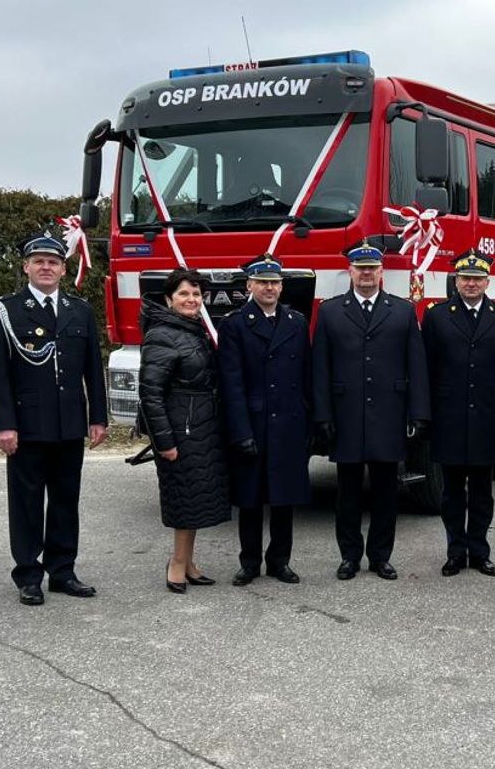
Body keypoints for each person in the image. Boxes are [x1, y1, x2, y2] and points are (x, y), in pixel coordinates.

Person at [0, 232, 108, 606]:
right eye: (38, 261)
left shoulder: (79, 310)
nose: (46, 267)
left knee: (66, 501)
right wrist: (3, 424)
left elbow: (93, 369)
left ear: (63, 269)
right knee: (27, 503)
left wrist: (97, 418)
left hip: (69, 423)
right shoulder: (5, 310)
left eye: (53, 262)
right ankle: (28, 575)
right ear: (26, 267)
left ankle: (63, 571)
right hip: (27, 425)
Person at [311, 242, 430, 580]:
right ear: (350, 271)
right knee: (347, 492)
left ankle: (380, 556)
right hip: (346, 414)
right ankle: (349, 556)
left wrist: (418, 413)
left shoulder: (403, 311)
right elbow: (320, 368)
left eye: (372, 268)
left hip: (389, 414)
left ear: (381, 272)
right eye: (360, 268)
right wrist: (322, 415)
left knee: (385, 493)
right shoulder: (331, 311)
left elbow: (416, 366)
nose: (366, 274)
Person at [422, 248, 495, 576]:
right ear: (456, 281)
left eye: (478, 279)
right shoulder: (437, 316)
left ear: (487, 282)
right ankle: (455, 552)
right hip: (449, 418)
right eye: (465, 278)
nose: (471, 284)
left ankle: (479, 551)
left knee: (482, 492)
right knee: (451, 492)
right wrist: (425, 416)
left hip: (488, 419)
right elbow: (427, 371)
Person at [218, 254, 311, 586]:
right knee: (251, 500)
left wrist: (309, 422)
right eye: (262, 283)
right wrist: (240, 431)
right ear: (249, 286)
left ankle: (279, 561)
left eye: (274, 283)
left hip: (289, 421)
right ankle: (249, 562)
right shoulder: (234, 325)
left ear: (282, 287)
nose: (269, 288)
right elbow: (232, 384)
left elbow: (306, 376)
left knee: (284, 498)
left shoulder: (296, 322)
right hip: (254, 423)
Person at [138, 268, 230, 593]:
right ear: (169, 299)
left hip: (201, 427)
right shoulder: (161, 334)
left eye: (196, 294)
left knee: (195, 498)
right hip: (181, 430)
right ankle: (176, 563)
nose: (191, 300)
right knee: (183, 499)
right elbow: (150, 394)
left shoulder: (193, 330)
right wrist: (164, 441)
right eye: (183, 294)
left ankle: (188, 561)